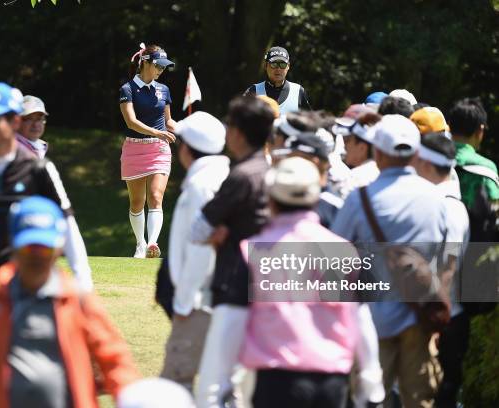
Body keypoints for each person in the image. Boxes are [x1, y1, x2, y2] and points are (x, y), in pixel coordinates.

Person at [0, 196, 139, 408]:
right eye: (28, 248)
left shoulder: (79, 300)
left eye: (44, 248)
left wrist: (134, 400)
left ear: (59, 247)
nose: (36, 257)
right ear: (12, 244)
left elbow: (115, 362)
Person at [239, 157, 384, 408]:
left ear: (270, 200)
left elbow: (231, 321)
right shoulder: (343, 250)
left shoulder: (250, 251)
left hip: (274, 381)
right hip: (331, 382)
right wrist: (371, 382)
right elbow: (360, 317)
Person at [331, 115, 448, 407]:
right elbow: (447, 262)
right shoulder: (436, 200)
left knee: (367, 400)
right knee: (418, 401)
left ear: (378, 153)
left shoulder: (360, 200)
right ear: (416, 154)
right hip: (420, 318)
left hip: (371, 323)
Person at [0, 82, 93, 298]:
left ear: (14, 121)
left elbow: (68, 225)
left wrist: (84, 285)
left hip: (27, 291)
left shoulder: (39, 170)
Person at [191, 96, 273, 408]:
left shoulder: (241, 176)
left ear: (238, 132)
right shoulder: (272, 173)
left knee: (214, 385)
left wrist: (219, 233)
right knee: (248, 383)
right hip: (271, 289)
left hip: (234, 285)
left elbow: (197, 230)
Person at [160, 111, 230, 392]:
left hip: (199, 301)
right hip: (217, 298)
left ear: (187, 149)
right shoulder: (222, 175)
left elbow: (201, 250)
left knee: (176, 381)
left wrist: (185, 302)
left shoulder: (201, 186)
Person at [411, 132, 471, 408]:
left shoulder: (446, 207)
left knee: (441, 392)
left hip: (443, 317)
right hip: (440, 314)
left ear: (426, 163)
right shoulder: (445, 202)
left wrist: (437, 317)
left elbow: (449, 265)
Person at [119, 43, 176, 258]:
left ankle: (152, 242)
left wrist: (191, 130)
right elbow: (131, 122)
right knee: (136, 202)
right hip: (134, 148)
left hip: (159, 150)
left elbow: (168, 121)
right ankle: (140, 244)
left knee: (155, 195)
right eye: (158, 66)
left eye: (163, 67)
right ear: (145, 62)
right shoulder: (127, 89)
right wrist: (158, 132)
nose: (161, 70)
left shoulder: (164, 90)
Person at [244, 46, 311, 114]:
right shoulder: (253, 91)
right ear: (265, 66)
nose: (278, 69)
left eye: (282, 64)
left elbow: (310, 121)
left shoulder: (298, 91)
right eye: (274, 64)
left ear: (288, 66)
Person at [332, 110, 382, 189]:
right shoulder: (383, 173)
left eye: (347, 142)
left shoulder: (352, 181)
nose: (344, 147)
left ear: (362, 148)